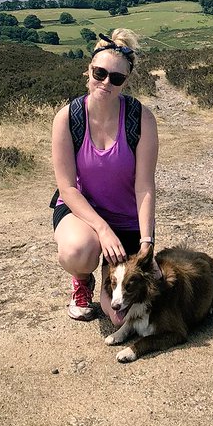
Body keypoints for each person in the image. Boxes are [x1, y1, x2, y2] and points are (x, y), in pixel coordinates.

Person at [51, 28, 158, 322]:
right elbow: (67, 188)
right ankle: (83, 280)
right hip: (81, 212)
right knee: (77, 250)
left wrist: (147, 240)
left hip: (127, 219)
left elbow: (145, 186)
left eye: (116, 78)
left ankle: (111, 269)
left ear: (126, 81)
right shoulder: (68, 118)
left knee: (118, 317)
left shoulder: (141, 119)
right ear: (88, 71)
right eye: (100, 73)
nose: (106, 82)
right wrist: (101, 229)